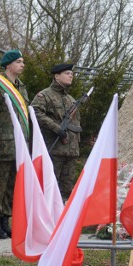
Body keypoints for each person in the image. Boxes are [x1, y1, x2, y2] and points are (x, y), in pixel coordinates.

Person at [31, 63, 82, 201]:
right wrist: (56, 128)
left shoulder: (71, 100)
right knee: (49, 189)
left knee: (66, 192)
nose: (71, 75)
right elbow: (35, 112)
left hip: (71, 152)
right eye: (67, 73)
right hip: (54, 150)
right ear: (57, 75)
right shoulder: (44, 95)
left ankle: (63, 219)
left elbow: (76, 125)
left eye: (71, 74)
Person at [0, 50, 29, 239]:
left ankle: (4, 220)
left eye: (23, 61)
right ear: (8, 65)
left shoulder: (21, 87)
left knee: (11, 185)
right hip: (3, 142)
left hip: (18, 143)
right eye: (18, 61)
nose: (22, 65)